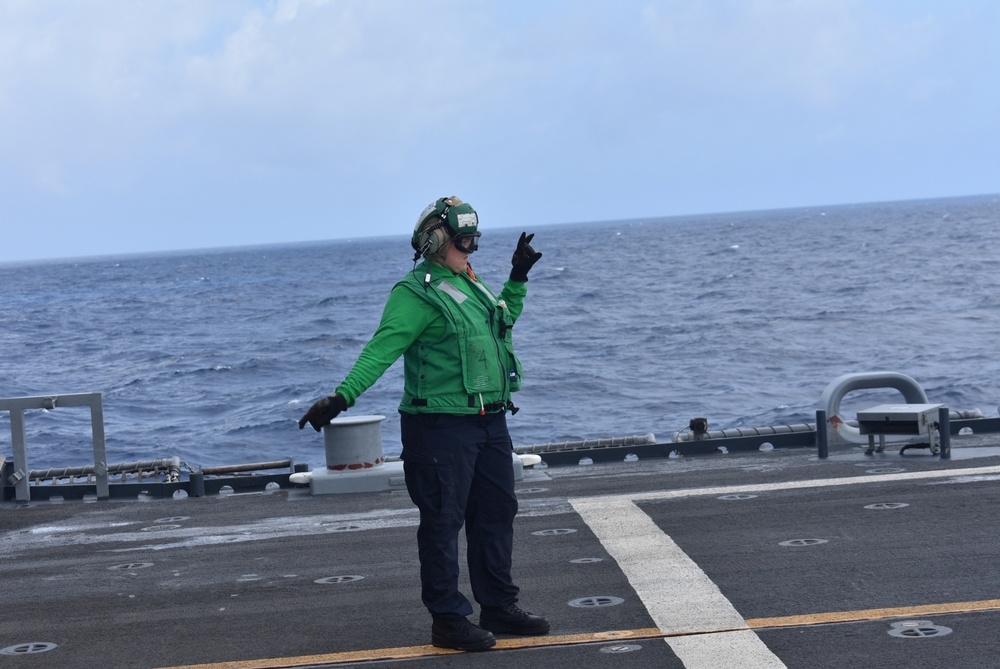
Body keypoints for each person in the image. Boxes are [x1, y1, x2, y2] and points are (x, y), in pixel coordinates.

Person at [298, 196, 548, 651]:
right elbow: (382, 349)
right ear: (434, 241)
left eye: (475, 240)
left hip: (488, 421)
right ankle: (448, 619)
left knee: (495, 515)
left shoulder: (469, 283)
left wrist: (517, 278)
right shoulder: (414, 293)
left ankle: (497, 605)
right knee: (442, 522)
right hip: (439, 428)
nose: (471, 249)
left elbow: (503, 323)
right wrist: (341, 397)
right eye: (463, 240)